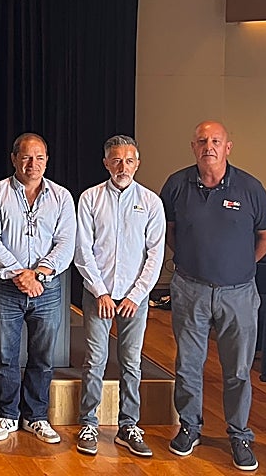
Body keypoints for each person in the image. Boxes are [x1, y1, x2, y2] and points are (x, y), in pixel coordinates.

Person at [160, 121, 266, 472]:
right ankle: (189, 427)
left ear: (228, 147)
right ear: (192, 147)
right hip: (190, 289)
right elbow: (168, 230)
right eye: (201, 141)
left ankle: (239, 434)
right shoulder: (176, 184)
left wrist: (243, 265)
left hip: (238, 294)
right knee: (188, 366)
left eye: (215, 141)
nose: (208, 146)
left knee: (238, 370)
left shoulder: (250, 187)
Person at [0, 132, 75, 445]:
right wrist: (21, 274)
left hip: (46, 288)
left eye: (40, 158)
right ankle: (7, 414)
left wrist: (40, 273)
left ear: (47, 161)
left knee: (42, 357)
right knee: (6, 356)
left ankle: (36, 417)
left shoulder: (61, 197)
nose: (32, 164)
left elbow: (65, 242)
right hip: (7, 287)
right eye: (26, 157)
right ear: (14, 159)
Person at [73, 135, 165, 457]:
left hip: (134, 300)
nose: (122, 167)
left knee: (131, 362)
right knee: (95, 360)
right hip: (98, 296)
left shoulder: (152, 203)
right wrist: (100, 291)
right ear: (106, 163)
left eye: (128, 161)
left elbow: (155, 255)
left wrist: (136, 295)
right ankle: (88, 423)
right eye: (116, 160)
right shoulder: (89, 199)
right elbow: (82, 250)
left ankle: (129, 425)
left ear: (137, 163)